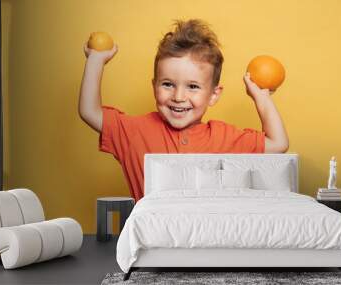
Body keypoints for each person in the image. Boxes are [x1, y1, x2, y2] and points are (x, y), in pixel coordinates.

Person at [79, 19, 289, 202]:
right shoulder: (134, 131)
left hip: (209, 241)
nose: (178, 97)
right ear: (154, 86)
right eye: (168, 84)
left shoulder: (224, 137)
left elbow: (278, 144)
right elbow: (90, 111)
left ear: (214, 95)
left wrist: (261, 97)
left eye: (193, 86)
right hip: (152, 241)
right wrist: (96, 60)